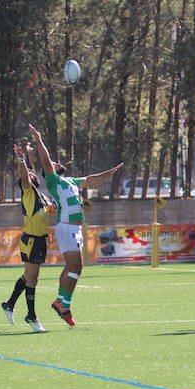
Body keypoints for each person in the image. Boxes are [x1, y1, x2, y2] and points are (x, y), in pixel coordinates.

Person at [29, 124, 123, 326]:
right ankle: (63, 304)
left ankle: (61, 303)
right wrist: (38, 138)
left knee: (71, 268)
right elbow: (45, 159)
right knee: (76, 268)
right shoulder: (53, 181)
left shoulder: (70, 181)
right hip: (67, 229)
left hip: (74, 230)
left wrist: (110, 172)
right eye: (52, 163)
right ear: (49, 172)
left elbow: (91, 180)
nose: (54, 162)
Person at [1, 144, 55, 333]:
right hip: (32, 240)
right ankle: (31, 316)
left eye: (33, 174)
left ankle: (9, 304)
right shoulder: (29, 192)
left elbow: (52, 212)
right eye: (28, 176)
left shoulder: (42, 196)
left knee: (30, 277)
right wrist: (21, 161)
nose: (32, 176)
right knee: (32, 278)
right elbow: (25, 178)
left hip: (39, 240)